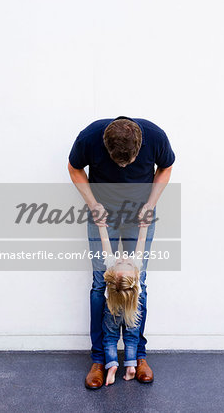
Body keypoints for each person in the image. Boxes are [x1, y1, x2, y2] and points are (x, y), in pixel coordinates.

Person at [68, 116, 175, 389]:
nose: (123, 167)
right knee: (99, 285)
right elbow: (74, 167)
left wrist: (151, 204)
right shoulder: (90, 136)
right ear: (105, 145)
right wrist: (93, 204)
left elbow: (166, 167)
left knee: (139, 284)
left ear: (140, 146)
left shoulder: (155, 136)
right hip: (101, 212)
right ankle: (99, 359)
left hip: (140, 214)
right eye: (119, 163)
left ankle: (137, 356)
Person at [99, 224, 147, 385]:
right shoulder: (136, 267)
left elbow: (105, 241)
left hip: (112, 311)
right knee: (132, 339)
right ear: (135, 274)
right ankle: (131, 366)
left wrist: (101, 226)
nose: (124, 258)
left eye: (121, 262)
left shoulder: (111, 267)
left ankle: (112, 365)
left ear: (111, 275)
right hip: (133, 310)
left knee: (111, 338)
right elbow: (141, 240)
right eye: (125, 263)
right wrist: (144, 227)